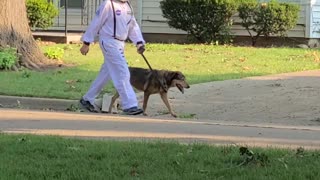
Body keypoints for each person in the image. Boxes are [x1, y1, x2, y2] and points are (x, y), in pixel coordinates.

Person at [79, 0, 145, 115]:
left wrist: (139, 42)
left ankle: (87, 99)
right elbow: (96, 22)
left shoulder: (128, 6)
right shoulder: (108, 4)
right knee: (122, 72)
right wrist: (86, 42)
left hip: (120, 43)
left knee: (107, 72)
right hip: (108, 41)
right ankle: (130, 105)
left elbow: (132, 25)